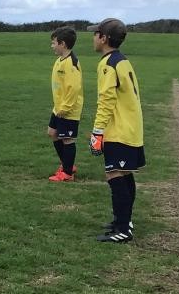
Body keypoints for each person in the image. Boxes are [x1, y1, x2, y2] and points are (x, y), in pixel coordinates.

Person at [88, 18, 144, 242]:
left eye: (96, 34)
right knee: (124, 172)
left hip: (118, 129)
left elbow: (106, 100)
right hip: (131, 127)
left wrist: (97, 132)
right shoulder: (122, 61)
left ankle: (123, 229)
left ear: (104, 38)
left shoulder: (107, 64)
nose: (93, 38)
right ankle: (124, 220)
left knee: (114, 173)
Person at [46, 26, 83, 181]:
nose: (52, 46)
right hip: (58, 108)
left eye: (54, 43)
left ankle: (67, 173)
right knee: (52, 133)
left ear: (63, 44)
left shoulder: (71, 63)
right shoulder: (59, 61)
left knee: (67, 139)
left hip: (68, 109)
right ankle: (68, 164)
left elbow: (74, 88)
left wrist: (66, 107)